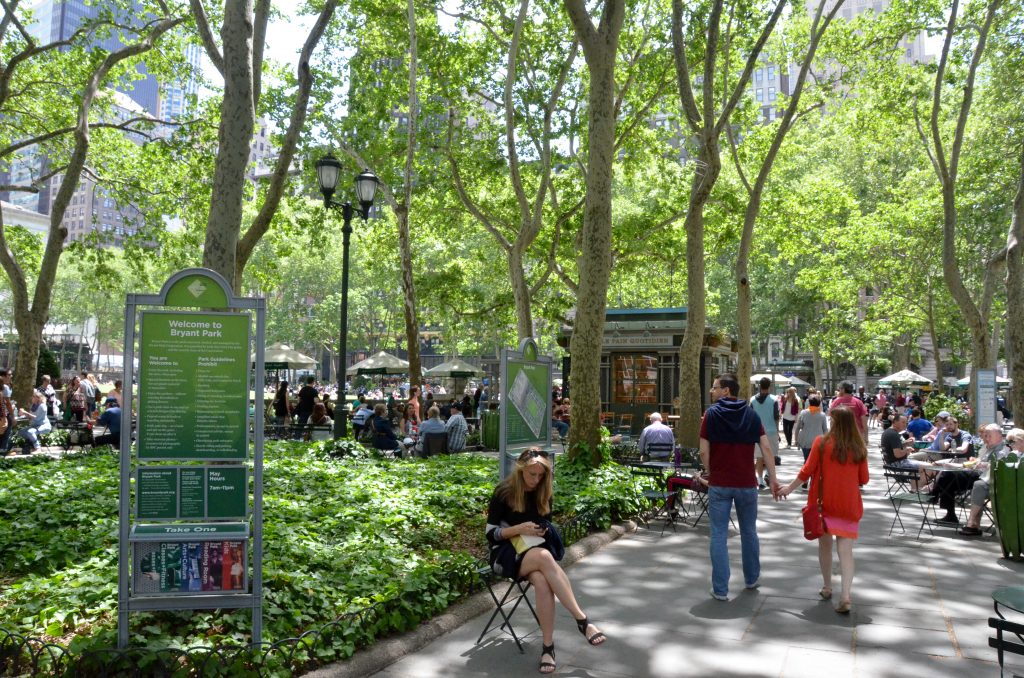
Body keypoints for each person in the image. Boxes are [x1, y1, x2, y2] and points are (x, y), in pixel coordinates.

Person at [485, 448, 606, 673]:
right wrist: (518, 529)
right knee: (544, 557)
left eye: (541, 475)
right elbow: (490, 534)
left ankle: (548, 648)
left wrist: (542, 530)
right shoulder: (504, 492)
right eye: (532, 474)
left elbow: (546, 523)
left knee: (541, 580)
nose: (536, 479)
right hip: (505, 553)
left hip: (533, 550)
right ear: (520, 471)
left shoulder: (543, 490)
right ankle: (582, 620)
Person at [778, 406, 869, 614]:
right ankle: (845, 595)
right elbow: (864, 479)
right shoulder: (859, 447)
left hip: (824, 502)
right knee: (846, 552)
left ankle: (827, 587)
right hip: (848, 504)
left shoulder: (821, 443)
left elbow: (806, 471)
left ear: (835, 422)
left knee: (825, 546)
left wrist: (788, 489)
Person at [701, 373, 780, 601]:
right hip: (746, 484)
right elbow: (766, 449)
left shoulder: (711, 415)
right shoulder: (751, 414)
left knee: (718, 534)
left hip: (721, 484)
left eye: (714, 387)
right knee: (749, 531)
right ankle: (752, 578)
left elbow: (704, 451)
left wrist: (710, 471)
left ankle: (720, 590)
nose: (711, 391)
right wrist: (772, 479)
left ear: (726, 390)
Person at [928, 422, 1000, 526]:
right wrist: (976, 460)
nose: (985, 438)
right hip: (975, 471)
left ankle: (934, 496)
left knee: (947, 475)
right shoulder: (986, 447)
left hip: (982, 477)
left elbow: (988, 464)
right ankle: (948, 512)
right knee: (947, 475)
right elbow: (979, 461)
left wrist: (976, 462)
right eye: (983, 435)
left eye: (986, 435)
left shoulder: (997, 447)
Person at [959, 425, 1015, 536]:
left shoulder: (1004, 448)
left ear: (999, 436)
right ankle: (974, 524)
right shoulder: (990, 447)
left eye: (989, 436)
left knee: (978, 484)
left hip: (1000, 482)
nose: (987, 438)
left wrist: (982, 464)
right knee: (977, 484)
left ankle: (972, 523)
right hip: (986, 479)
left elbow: (999, 464)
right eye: (986, 436)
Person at [749, 376, 780, 489]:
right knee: (771, 455)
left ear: (759, 386)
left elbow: (750, 417)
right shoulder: (774, 399)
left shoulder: (752, 400)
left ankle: (760, 480)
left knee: (759, 457)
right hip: (771, 431)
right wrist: (777, 432)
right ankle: (768, 475)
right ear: (769, 386)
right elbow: (776, 417)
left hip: (757, 432)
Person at [12, 390, 51, 455]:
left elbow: (36, 418)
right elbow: (30, 416)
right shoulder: (33, 405)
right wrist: (21, 416)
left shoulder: (42, 406)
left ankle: (38, 448)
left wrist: (25, 412)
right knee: (21, 432)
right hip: (35, 426)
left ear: (37, 398)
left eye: (33, 397)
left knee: (30, 432)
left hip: (44, 426)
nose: (31, 398)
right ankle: (31, 445)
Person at [795, 395, 828, 464]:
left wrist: (796, 440)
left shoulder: (803, 413)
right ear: (819, 403)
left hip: (805, 441)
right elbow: (825, 430)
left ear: (809, 403)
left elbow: (798, 427)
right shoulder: (822, 415)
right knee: (816, 462)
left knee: (807, 461)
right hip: (818, 442)